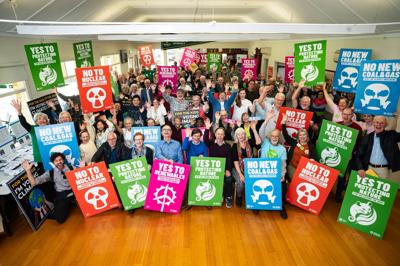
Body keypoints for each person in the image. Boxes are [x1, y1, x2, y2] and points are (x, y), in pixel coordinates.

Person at [21, 152, 83, 224]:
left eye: (60, 160)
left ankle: (71, 203)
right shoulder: (51, 173)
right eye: (56, 161)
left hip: (74, 192)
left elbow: (81, 177)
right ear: (53, 163)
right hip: (62, 195)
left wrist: (82, 168)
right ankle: (63, 206)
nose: (59, 162)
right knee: (60, 219)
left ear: (63, 160)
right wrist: (28, 171)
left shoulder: (71, 168)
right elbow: (34, 182)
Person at [356, 116, 400, 181]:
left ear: (385, 125)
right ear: (373, 123)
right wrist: (360, 168)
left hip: (383, 171)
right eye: (377, 122)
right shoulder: (367, 137)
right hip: (369, 169)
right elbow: (358, 155)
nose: (379, 125)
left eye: (382, 123)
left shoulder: (391, 135)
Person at [203, 119, 234, 208]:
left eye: (221, 134)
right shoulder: (211, 143)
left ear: (224, 135)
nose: (220, 136)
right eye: (218, 134)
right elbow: (205, 139)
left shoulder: (227, 146)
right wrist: (207, 129)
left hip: (224, 169)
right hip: (212, 170)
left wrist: (227, 170)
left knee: (228, 179)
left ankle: (228, 197)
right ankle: (216, 195)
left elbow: (229, 159)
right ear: (215, 135)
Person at [11, 99, 49, 168]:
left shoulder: (51, 128)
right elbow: (24, 123)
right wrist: (19, 112)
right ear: (36, 122)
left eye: (44, 119)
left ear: (47, 121)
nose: (42, 120)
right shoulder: (33, 129)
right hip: (40, 158)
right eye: (39, 119)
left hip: (51, 156)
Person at [260, 129, 288, 219]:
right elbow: (261, 132)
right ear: (270, 137)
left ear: (279, 138)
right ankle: (256, 205)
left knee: (283, 186)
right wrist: (267, 119)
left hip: (276, 173)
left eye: (276, 136)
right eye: (273, 136)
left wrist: (283, 175)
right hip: (262, 172)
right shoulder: (265, 143)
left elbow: (283, 165)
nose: (274, 138)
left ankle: (281, 207)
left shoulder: (282, 149)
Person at [232, 125, 261, 208]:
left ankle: (254, 198)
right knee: (240, 182)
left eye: (242, 134)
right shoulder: (234, 145)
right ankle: (239, 196)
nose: (241, 136)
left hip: (250, 167)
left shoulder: (250, 142)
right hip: (237, 168)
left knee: (254, 180)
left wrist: (254, 129)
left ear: (245, 135)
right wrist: (240, 174)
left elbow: (258, 142)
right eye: (238, 134)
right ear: (236, 136)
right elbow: (235, 161)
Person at [280, 114, 316, 178]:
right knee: (296, 178)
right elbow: (285, 135)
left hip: (304, 169)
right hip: (292, 166)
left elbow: (313, 157)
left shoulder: (311, 146)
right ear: (298, 137)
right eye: (300, 135)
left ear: (307, 136)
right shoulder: (294, 143)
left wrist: (312, 160)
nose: (302, 137)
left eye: (304, 135)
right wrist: (283, 123)